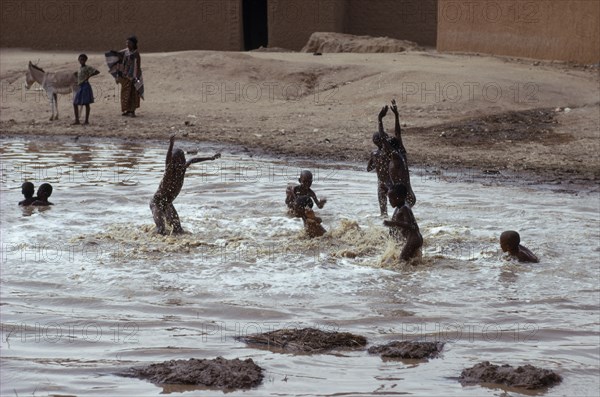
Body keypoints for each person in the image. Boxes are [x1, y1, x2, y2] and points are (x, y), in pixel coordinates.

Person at [150, 135, 221, 235]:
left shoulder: (182, 168)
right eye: (176, 161)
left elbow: (193, 160)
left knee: (178, 230)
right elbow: (168, 159)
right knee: (161, 230)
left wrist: (211, 158)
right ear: (173, 161)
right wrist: (171, 145)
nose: (179, 163)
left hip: (167, 203)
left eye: (181, 160)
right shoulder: (169, 171)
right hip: (157, 203)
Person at [378, 100, 416, 207]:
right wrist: (396, 115)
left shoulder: (394, 155)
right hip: (409, 195)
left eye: (386, 148)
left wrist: (380, 119)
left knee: (400, 218)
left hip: (404, 197)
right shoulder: (401, 152)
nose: (384, 149)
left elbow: (382, 138)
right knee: (400, 220)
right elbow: (398, 133)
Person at [383, 183, 422, 261]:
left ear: (400, 197)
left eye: (392, 198)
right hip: (416, 238)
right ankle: (416, 272)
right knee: (411, 261)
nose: (390, 201)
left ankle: (407, 273)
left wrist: (393, 223)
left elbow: (410, 225)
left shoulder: (404, 208)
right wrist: (387, 189)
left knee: (401, 261)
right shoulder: (401, 206)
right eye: (389, 199)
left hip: (412, 240)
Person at [367, 130, 392, 217]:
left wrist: (377, 163)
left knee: (383, 211)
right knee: (398, 204)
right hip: (391, 182)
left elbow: (369, 169)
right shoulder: (389, 153)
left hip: (381, 183)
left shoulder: (374, 154)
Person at [118, 36, 142, 117]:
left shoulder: (136, 53)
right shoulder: (125, 52)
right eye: (127, 42)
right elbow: (119, 59)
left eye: (129, 43)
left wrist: (136, 76)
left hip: (134, 76)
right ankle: (127, 110)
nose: (127, 44)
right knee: (125, 93)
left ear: (133, 44)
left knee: (133, 93)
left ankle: (132, 111)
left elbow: (137, 65)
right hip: (125, 76)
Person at [72, 54, 100, 125]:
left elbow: (97, 71)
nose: (82, 61)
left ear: (85, 60)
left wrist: (89, 76)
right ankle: (77, 120)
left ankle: (86, 121)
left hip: (85, 86)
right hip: (80, 86)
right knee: (75, 103)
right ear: (78, 60)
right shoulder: (80, 68)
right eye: (80, 59)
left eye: (83, 59)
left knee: (86, 104)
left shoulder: (87, 67)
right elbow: (77, 74)